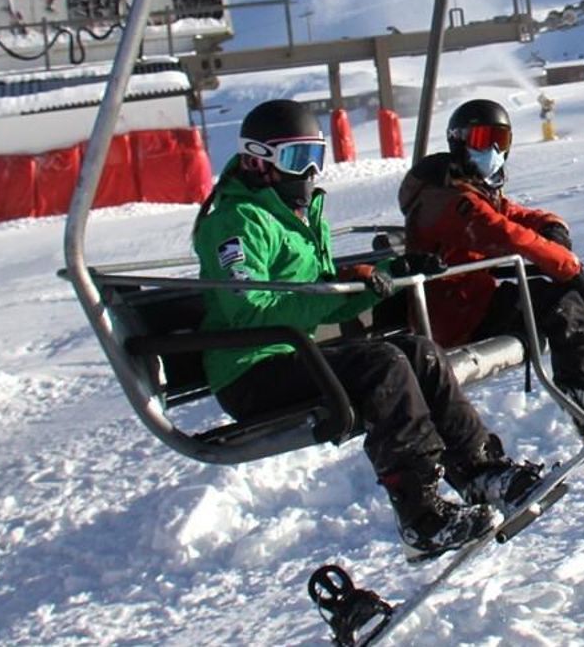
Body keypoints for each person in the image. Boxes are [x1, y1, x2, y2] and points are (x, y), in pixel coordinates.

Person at [193, 99, 540, 559]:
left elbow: (323, 297)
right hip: (250, 371)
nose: (309, 172)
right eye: (297, 158)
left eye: (315, 156)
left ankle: (480, 471)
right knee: (384, 364)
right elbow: (250, 310)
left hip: (293, 355)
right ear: (259, 159)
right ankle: (421, 516)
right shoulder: (236, 222)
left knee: (419, 352)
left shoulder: (294, 214)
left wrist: (385, 277)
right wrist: (329, 292)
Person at [396, 98, 584, 439]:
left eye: (501, 141)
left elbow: (514, 215)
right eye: (483, 140)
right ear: (459, 141)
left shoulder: (469, 185)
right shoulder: (446, 199)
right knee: (558, 301)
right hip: (455, 317)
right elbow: (501, 233)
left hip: (474, 302)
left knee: (568, 301)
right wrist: (567, 266)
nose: (493, 151)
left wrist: (551, 225)